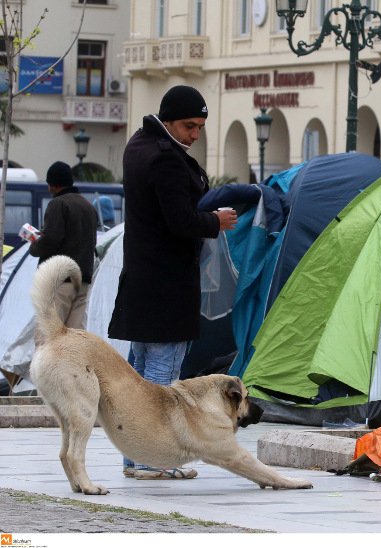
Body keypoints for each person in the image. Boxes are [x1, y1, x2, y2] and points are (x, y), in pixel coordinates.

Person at [108, 85, 237, 480]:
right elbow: (179, 220)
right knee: (161, 377)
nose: (194, 135)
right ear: (168, 120)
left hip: (141, 278)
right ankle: (153, 459)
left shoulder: (138, 145)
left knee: (138, 375)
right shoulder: (165, 158)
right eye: (188, 126)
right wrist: (216, 221)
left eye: (200, 128)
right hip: (167, 283)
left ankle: (134, 457)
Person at [29, 161, 98, 329]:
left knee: (48, 334)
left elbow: (51, 240)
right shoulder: (88, 206)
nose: (48, 189)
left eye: (49, 184)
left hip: (60, 280)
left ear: (54, 184)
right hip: (83, 280)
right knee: (73, 336)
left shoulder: (58, 204)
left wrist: (34, 246)